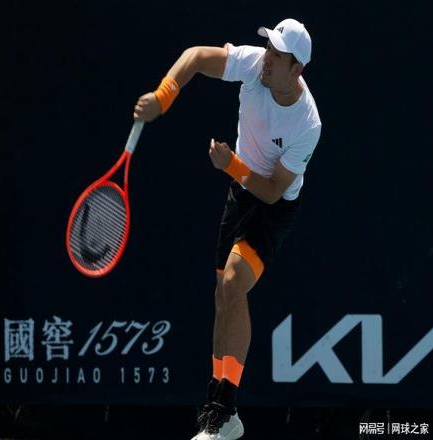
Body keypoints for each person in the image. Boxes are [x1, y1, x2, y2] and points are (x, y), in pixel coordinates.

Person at [134, 18, 321, 440]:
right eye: (268, 49)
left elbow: (272, 191)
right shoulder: (255, 66)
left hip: (272, 208)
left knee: (234, 282)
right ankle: (221, 412)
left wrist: (231, 165)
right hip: (240, 194)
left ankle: (223, 409)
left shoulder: (308, 124)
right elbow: (197, 57)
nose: (267, 59)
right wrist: (164, 96)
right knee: (223, 297)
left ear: (297, 70)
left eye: (278, 55)